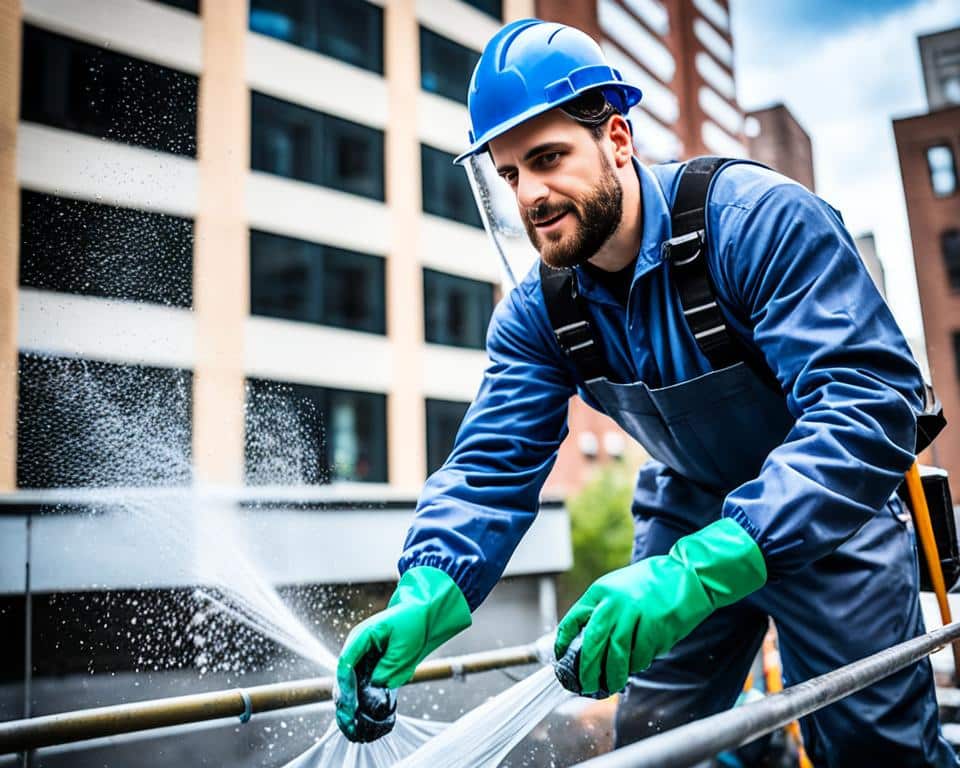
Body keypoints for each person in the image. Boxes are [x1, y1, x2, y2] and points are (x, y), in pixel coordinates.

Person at [335, 18, 957, 766]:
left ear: (619, 140)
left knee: (873, 747)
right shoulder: (541, 312)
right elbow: (489, 468)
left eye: (549, 157)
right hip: (689, 503)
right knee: (655, 746)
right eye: (510, 175)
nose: (530, 194)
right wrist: (424, 591)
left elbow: (867, 401)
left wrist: (700, 571)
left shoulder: (754, 224)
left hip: (831, 517)